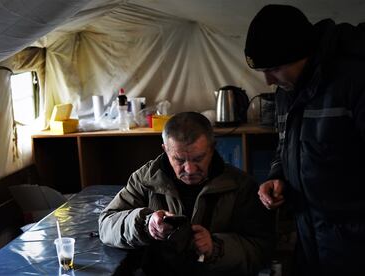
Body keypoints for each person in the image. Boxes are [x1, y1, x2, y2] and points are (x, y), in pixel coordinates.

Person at [244, 4, 365, 276]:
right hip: (311, 234)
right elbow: (285, 145)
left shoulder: (354, 81)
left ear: (302, 54)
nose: (267, 81)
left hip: (355, 242)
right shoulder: (288, 91)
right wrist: (278, 176)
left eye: (273, 68)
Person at [99, 112, 275, 276]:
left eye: (198, 158)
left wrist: (216, 248)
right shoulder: (145, 180)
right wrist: (145, 224)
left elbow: (262, 249)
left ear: (213, 148)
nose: (189, 169)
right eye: (179, 160)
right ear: (165, 150)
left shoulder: (240, 186)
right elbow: (106, 225)